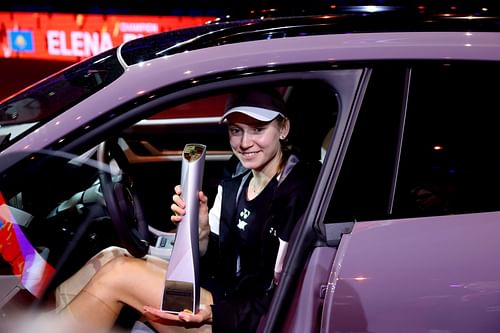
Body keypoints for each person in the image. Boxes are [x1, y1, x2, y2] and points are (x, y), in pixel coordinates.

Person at [50, 87, 321, 333]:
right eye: (236, 130)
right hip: (223, 292)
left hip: (245, 318)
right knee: (110, 257)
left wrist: (213, 314)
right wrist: (201, 232)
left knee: (118, 273)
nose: (244, 143)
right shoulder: (237, 176)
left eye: (258, 129)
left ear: (283, 128)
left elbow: (285, 293)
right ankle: (45, 321)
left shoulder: (296, 192)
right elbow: (223, 259)